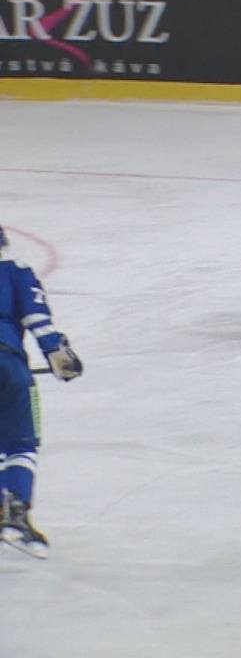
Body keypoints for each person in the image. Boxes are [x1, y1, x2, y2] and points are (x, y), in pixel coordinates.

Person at [0, 224, 83, 559]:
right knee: (21, 444)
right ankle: (14, 513)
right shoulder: (16, 273)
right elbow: (40, 323)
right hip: (9, 369)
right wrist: (62, 359)